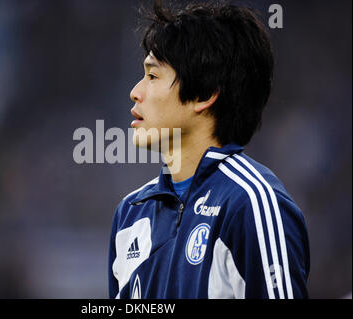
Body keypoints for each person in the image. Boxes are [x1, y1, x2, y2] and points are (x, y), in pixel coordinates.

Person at [108, 0, 310, 299]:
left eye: (152, 76)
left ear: (204, 95)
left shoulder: (251, 204)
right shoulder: (130, 213)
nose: (135, 91)